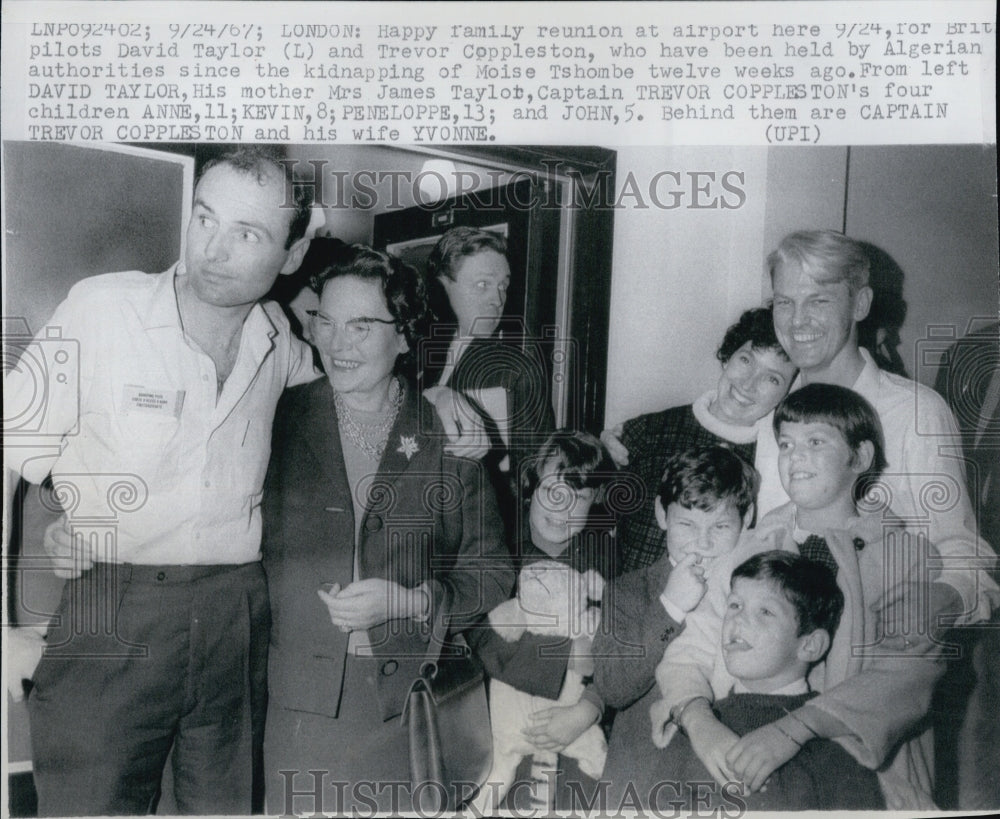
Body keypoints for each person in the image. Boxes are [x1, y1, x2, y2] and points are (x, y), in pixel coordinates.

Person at [2, 147, 316, 815]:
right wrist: (2, 622)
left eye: (248, 233)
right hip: (112, 611)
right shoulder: (102, 311)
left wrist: (436, 401)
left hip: (234, 617)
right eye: (205, 217)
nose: (213, 247)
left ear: (291, 257)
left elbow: (347, 389)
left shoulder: (277, 337)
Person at [260, 244, 514, 815]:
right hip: (298, 711)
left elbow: (493, 574)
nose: (336, 342)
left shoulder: (447, 430)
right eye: (325, 321)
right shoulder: (277, 416)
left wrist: (410, 601)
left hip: (407, 704)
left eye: (361, 325)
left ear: (403, 336)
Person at [651, 384, 954, 809]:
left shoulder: (904, 558)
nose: (795, 456)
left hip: (862, 780)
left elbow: (906, 675)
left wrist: (793, 730)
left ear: (860, 457)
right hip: (747, 754)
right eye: (787, 444)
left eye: (816, 442)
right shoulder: (749, 549)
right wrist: (699, 721)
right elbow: (691, 650)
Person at [756, 230, 997, 625]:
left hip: (872, 639)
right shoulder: (770, 409)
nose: (798, 320)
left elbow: (965, 554)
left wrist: (943, 597)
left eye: (819, 300)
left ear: (860, 304)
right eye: (785, 302)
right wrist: (618, 442)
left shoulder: (916, 413)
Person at [591, 446, 758, 810]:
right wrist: (671, 607)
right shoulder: (627, 591)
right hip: (645, 776)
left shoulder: (762, 589)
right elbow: (614, 688)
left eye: (720, 526)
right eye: (687, 525)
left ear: (747, 520)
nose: (703, 543)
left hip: (729, 777)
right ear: (661, 515)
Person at [654, 551, 884, 811]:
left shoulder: (832, 741)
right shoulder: (698, 728)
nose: (737, 619)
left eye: (765, 611)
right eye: (735, 605)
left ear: (810, 645)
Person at [468, 430, 616, 812]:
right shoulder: (499, 547)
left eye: (579, 496)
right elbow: (482, 635)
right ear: (531, 486)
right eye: (552, 489)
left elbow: (620, 641)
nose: (561, 506)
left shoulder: (602, 562)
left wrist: (589, 707)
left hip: (575, 719)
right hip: (499, 717)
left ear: (593, 501)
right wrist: (567, 654)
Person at [601, 307, 796, 571]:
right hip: (627, 603)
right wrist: (598, 455)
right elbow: (589, 521)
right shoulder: (647, 433)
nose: (749, 384)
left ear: (786, 393)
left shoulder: (780, 467)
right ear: (728, 358)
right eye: (747, 361)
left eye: (772, 378)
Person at [422, 226, 555, 519]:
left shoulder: (514, 367)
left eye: (503, 286)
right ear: (441, 287)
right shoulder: (412, 352)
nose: (498, 299)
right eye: (483, 284)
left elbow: (535, 472)